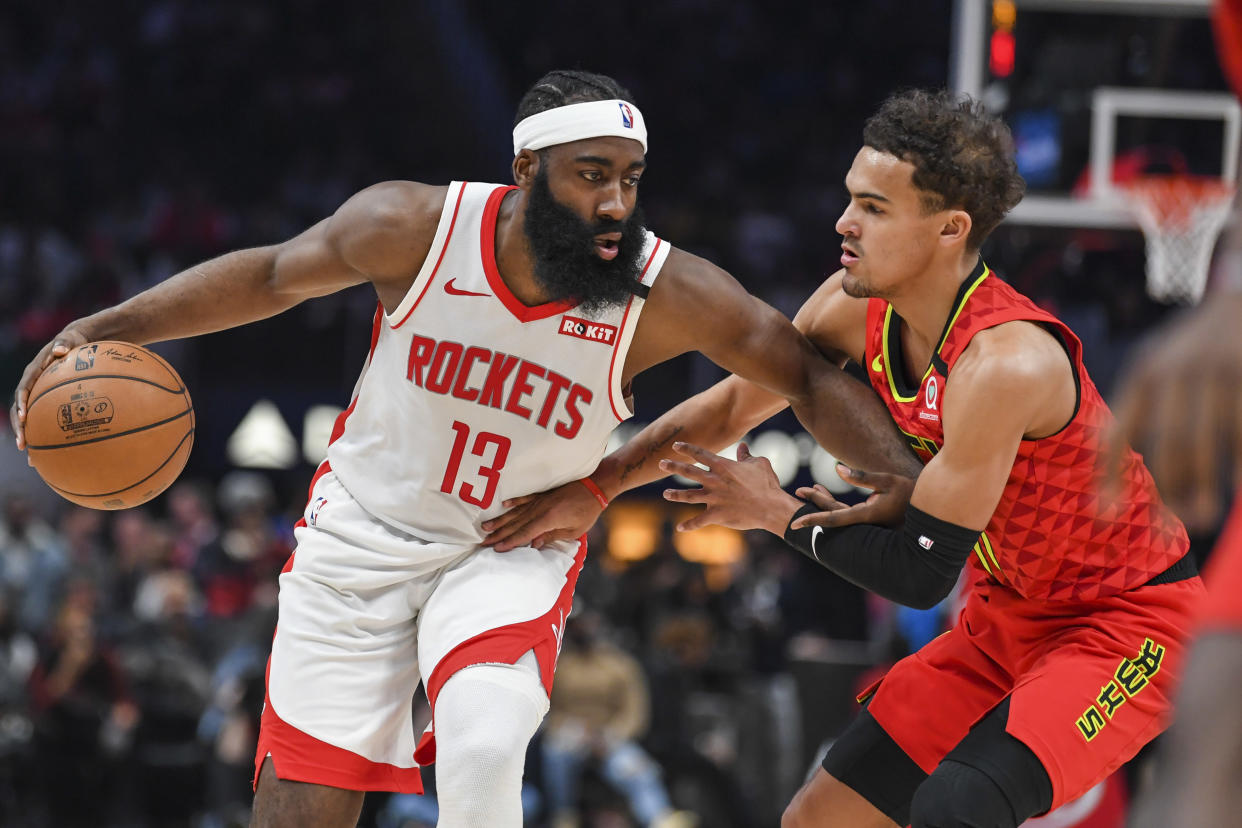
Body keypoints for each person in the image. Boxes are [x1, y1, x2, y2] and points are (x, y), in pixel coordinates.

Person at [9, 70, 921, 828]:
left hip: (507, 543)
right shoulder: (412, 228)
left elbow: (805, 376)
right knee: (299, 811)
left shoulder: (665, 289)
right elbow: (273, 275)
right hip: (361, 534)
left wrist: (916, 489)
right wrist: (110, 323)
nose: (615, 203)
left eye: (632, 179)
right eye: (591, 175)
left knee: (486, 743)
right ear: (526, 166)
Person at [487, 89, 1205, 828]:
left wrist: (776, 512)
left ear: (949, 229)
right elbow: (733, 406)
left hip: (1123, 625)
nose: (843, 222)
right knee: (817, 818)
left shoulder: (1006, 363)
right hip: (1007, 611)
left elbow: (921, 574)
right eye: (848, 199)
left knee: (959, 805)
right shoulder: (851, 307)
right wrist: (599, 490)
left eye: (873, 207)